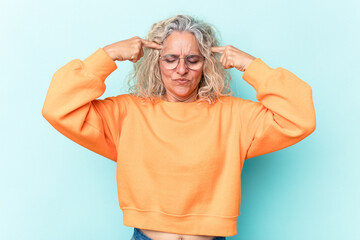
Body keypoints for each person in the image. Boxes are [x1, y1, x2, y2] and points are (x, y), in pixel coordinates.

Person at [42, 14, 316, 240]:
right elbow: (58, 107)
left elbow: (300, 117)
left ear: (206, 64)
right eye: (170, 59)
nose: (181, 69)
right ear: (156, 63)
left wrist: (251, 66)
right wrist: (108, 55)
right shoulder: (127, 113)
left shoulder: (234, 115)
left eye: (192, 60)